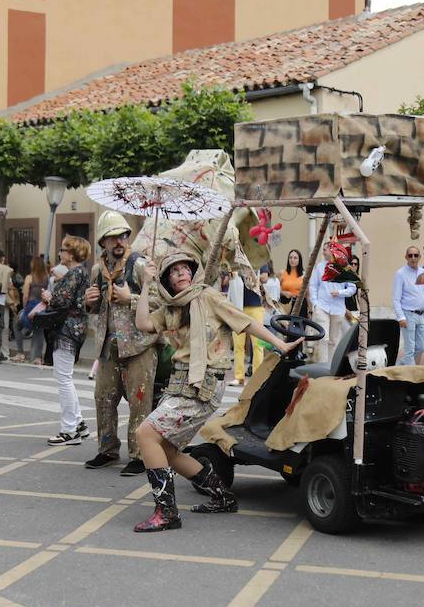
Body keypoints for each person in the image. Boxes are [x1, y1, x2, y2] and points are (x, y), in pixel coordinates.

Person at [131, 252, 300, 531]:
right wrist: (146, 285)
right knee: (168, 450)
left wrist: (279, 344)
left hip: (203, 384)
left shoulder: (208, 297)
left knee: (145, 434)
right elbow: (143, 324)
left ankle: (167, 512)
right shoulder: (170, 309)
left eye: (186, 268)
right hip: (180, 384)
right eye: (174, 272)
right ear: (167, 281)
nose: (182, 273)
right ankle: (222, 497)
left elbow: (244, 322)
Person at [83, 214, 155, 471]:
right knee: (103, 397)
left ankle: (139, 455)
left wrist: (132, 298)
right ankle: (107, 449)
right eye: (113, 236)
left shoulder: (139, 265)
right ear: (103, 241)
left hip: (139, 344)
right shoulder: (96, 269)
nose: (119, 241)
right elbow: (94, 307)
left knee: (139, 399)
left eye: (123, 235)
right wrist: (89, 301)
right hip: (107, 344)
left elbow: (160, 303)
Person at [44, 236, 93, 447]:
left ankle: (69, 430)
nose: (60, 254)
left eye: (63, 250)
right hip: (73, 329)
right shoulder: (79, 272)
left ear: (71, 253)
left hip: (67, 329)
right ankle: (79, 423)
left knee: (64, 379)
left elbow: (62, 300)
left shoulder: (75, 272)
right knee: (65, 378)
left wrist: (49, 296)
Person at [308, 256, 357, 368]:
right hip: (322, 306)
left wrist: (340, 292)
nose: (327, 252)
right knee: (323, 337)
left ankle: (332, 366)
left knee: (334, 340)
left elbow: (352, 288)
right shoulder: (320, 267)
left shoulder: (345, 268)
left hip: (338, 308)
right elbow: (313, 285)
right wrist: (315, 303)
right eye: (325, 249)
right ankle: (323, 366)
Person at [392, 246, 424, 366]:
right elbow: (396, 299)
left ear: (420, 257)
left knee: (421, 347)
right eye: (410, 255)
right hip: (408, 314)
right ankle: (410, 380)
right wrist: (401, 317)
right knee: (409, 349)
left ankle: (399, 365)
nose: (413, 258)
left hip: (421, 316)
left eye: (416, 255)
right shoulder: (400, 274)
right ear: (406, 257)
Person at [17, 255, 49, 365]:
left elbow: (25, 295)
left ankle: (20, 353)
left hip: (31, 306)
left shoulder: (29, 278)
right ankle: (37, 357)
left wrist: (24, 308)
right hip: (42, 307)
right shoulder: (46, 278)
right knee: (39, 331)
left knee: (17, 326)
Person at [278, 250, 307, 317]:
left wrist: (310, 310)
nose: (292, 260)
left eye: (295, 258)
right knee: (285, 326)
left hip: (300, 305)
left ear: (299, 260)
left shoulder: (304, 274)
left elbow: (308, 293)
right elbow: (276, 290)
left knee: (299, 326)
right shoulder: (282, 273)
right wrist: (283, 293)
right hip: (286, 303)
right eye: (290, 258)